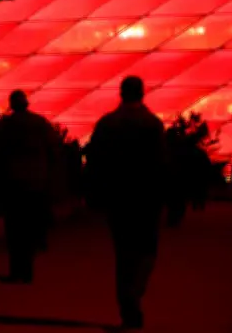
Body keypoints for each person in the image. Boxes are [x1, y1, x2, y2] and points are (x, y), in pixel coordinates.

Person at [86, 76, 167, 330]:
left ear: (121, 94)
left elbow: (94, 160)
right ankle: (136, 289)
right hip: (147, 198)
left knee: (123, 254)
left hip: (118, 197)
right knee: (147, 249)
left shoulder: (108, 123)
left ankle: (128, 307)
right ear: (142, 94)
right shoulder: (152, 124)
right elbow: (162, 163)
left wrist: (95, 194)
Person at [0, 90, 60, 284]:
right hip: (36, 182)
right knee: (30, 225)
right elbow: (53, 148)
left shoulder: (6, 125)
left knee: (14, 228)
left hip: (12, 182)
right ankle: (28, 269)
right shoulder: (40, 123)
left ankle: (16, 270)